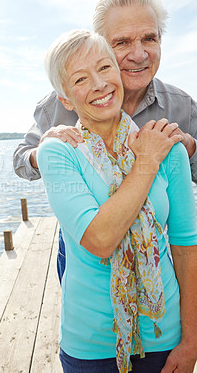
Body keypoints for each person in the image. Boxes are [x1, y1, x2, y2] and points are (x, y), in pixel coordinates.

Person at [36, 29, 197, 373]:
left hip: (165, 338)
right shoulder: (58, 152)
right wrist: (145, 162)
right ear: (65, 99)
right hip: (91, 345)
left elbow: (186, 247)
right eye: (81, 79)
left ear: (119, 74)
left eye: (105, 68)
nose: (99, 84)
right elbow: (99, 239)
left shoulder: (168, 147)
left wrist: (191, 342)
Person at [13, 0, 197, 184]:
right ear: (101, 47)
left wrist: (191, 149)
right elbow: (20, 160)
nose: (139, 55)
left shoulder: (183, 106)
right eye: (122, 42)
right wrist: (43, 152)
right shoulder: (59, 103)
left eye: (149, 39)